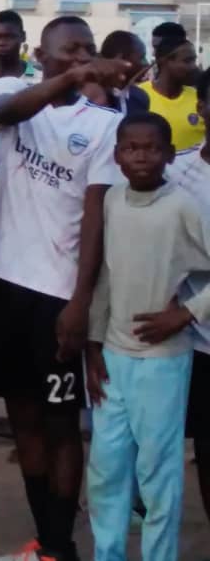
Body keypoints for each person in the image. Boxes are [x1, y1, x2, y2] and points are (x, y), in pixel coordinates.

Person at [0, 16, 130, 561]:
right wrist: (71, 78)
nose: (84, 57)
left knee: (62, 424)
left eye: (90, 49)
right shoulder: (14, 92)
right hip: (2, 286)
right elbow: (2, 114)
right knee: (22, 418)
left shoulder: (104, 124)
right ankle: (45, 540)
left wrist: (79, 303)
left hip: (56, 296)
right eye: (71, 49)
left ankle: (60, 544)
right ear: (40, 54)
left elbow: (95, 219)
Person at [86, 111, 210, 561]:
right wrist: (94, 344)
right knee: (106, 470)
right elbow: (104, 276)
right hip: (113, 358)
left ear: (169, 155)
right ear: (117, 155)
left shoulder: (182, 206)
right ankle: (109, 553)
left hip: (163, 360)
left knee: (158, 474)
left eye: (152, 148)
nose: (141, 156)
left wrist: (185, 314)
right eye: (131, 148)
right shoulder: (113, 201)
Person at [167, 68, 210, 534]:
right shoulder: (175, 171)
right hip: (193, 345)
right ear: (201, 110)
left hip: (187, 319)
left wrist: (185, 311)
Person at [139, 22, 203, 150]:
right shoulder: (138, 96)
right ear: (164, 60)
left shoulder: (201, 97)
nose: (193, 66)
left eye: (193, 60)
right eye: (187, 61)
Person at [98, 30, 149, 115]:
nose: (146, 64)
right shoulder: (92, 98)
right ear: (121, 58)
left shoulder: (141, 97)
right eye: (142, 57)